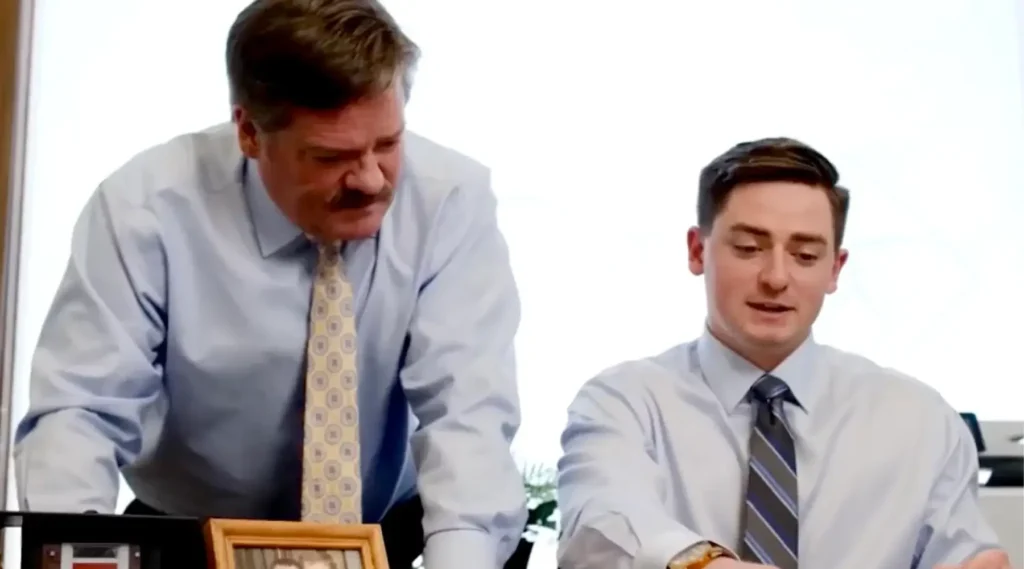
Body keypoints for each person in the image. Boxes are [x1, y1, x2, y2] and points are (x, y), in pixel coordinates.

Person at [13, 1, 527, 568]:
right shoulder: (145, 209)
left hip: (386, 537)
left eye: (387, 144)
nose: (370, 179)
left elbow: (467, 416)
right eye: (331, 156)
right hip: (189, 536)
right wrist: (76, 555)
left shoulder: (450, 203)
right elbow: (81, 412)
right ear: (249, 133)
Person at [555, 138, 1012, 569]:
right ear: (697, 250)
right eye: (749, 248)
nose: (776, 278)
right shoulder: (625, 402)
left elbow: (965, 556)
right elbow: (601, 525)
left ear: (835, 269)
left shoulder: (920, 420)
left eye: (806, 256)